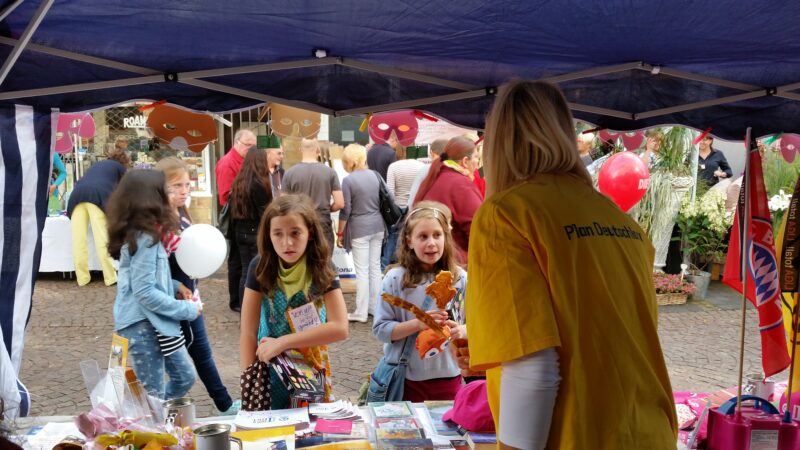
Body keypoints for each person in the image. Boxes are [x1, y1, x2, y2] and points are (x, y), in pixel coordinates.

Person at [465, 80, 677, 449]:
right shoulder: (619, 219)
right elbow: (602, 329)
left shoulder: (506, 214)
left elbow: (534, 367)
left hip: (579, 436)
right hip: (647, 431)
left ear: (497, 140)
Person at [239, 194, 349, 409]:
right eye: (278, 234)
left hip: (311, 367)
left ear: (310, 233)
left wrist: (284, 342)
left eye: (295, 233)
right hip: (270, 366)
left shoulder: (321, 267)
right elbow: (248, 332)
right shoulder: (260, 267)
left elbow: (340, 327)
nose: (287, 243)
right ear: (268, 236)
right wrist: (251, 384)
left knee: (309, 430)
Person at [155, 158, 240, 415]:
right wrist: (177, 286)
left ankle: (223, 403)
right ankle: (155, 407)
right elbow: (153, 273)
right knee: (178, 366)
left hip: (188, 297)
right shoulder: (156, 225)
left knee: (200, 351)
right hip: (171, 301)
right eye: (176, 185)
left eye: (187, 185)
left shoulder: (182, 217)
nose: (184, 191)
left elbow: (192, 258)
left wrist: (194, 291)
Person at [107, 170, 201, 400]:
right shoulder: (145, 238)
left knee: (184, 376)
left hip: (156, 322)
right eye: (165, 191)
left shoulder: (150, 234)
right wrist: (187, 310)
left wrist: (176, 284)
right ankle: (151, 424)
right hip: (142, 324)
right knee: (153, 394)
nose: (172, 196)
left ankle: (153, 418)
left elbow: (146, 279)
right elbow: (144, 291)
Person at [373, 201, 465, 403]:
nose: (431, 243)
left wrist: (463, 330)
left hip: (450, 378)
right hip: (407, 379)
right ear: (409, 241)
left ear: (446, 238)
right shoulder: (395, 280)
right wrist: (418, 323)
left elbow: (478, 324)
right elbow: (381, 329)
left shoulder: (460, 279)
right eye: (423, 236)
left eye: (437, 235)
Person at [413, 136, 482, 264]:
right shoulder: (460, 184)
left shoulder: (437, 176)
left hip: (433, 258)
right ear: (465, 161)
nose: (478, 162)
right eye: (476, 157)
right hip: (454, 262)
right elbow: (479, 229)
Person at [67, 148, 129, 286]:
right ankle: (110, 277)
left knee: (79, 240)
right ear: (124, 161)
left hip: (76, 196)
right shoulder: (120, 168)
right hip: (97, 197)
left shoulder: (97, 165)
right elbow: (123, 191)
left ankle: (82, 278)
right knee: (102, 238)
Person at [336, 144, 384, 322]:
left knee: (362, 271)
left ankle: (361, 312)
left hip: (360, 228)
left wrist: (340, 232)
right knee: (374, 268)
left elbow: (345, 209)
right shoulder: (375, 175)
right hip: (378, 226)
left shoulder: (349, 180)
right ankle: (375, 307)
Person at [216, 129, 256, 312]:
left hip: (242, 215)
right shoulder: (227, 163)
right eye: (248, 145)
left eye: (254, 146)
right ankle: (236, 301)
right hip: (236, 216)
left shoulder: (243, 160)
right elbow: (224, 196)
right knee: (237, 261)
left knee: (239, 260)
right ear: (237, 143)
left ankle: (238, 299)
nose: (251, 149)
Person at [282, 139, 344, 250]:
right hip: (322, 220)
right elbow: (339, 203)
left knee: (302, 259)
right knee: (324, 261)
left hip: (299, 220)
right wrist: (326, 209)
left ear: (300, 150)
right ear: (317, 150)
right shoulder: (330, 172)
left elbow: (283, 203)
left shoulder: (289, 173)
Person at [230, 148, 273, 308]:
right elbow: (265, 212)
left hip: (241, 232)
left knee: (245, 272)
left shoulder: (240, 181)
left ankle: (244, 307)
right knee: (256, 272)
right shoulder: (259, 183)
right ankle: (251, 309)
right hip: (255, 232)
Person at [406, 138, 448, 205]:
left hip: (427, 211)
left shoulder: (426, 169)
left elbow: (414, 195)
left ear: (432, 153)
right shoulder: (455, 170)